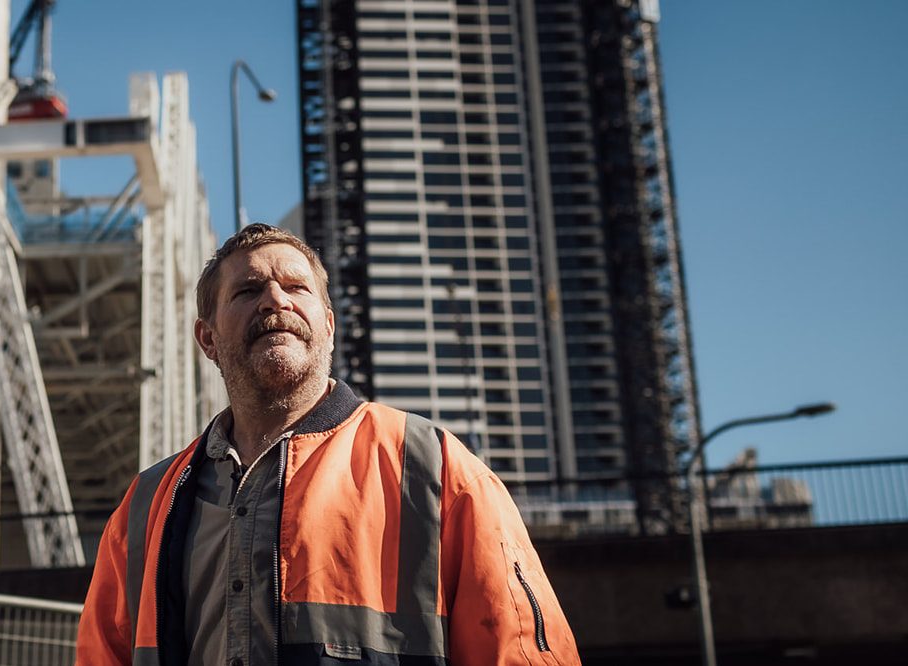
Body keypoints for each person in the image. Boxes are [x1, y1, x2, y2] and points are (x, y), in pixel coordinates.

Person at [76, 224, 579, 665]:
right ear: (207, 339)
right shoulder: (144, 508)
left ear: (330, 327)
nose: (276, 300)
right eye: (248, 290)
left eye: (297, 287)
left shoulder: (437, 469)